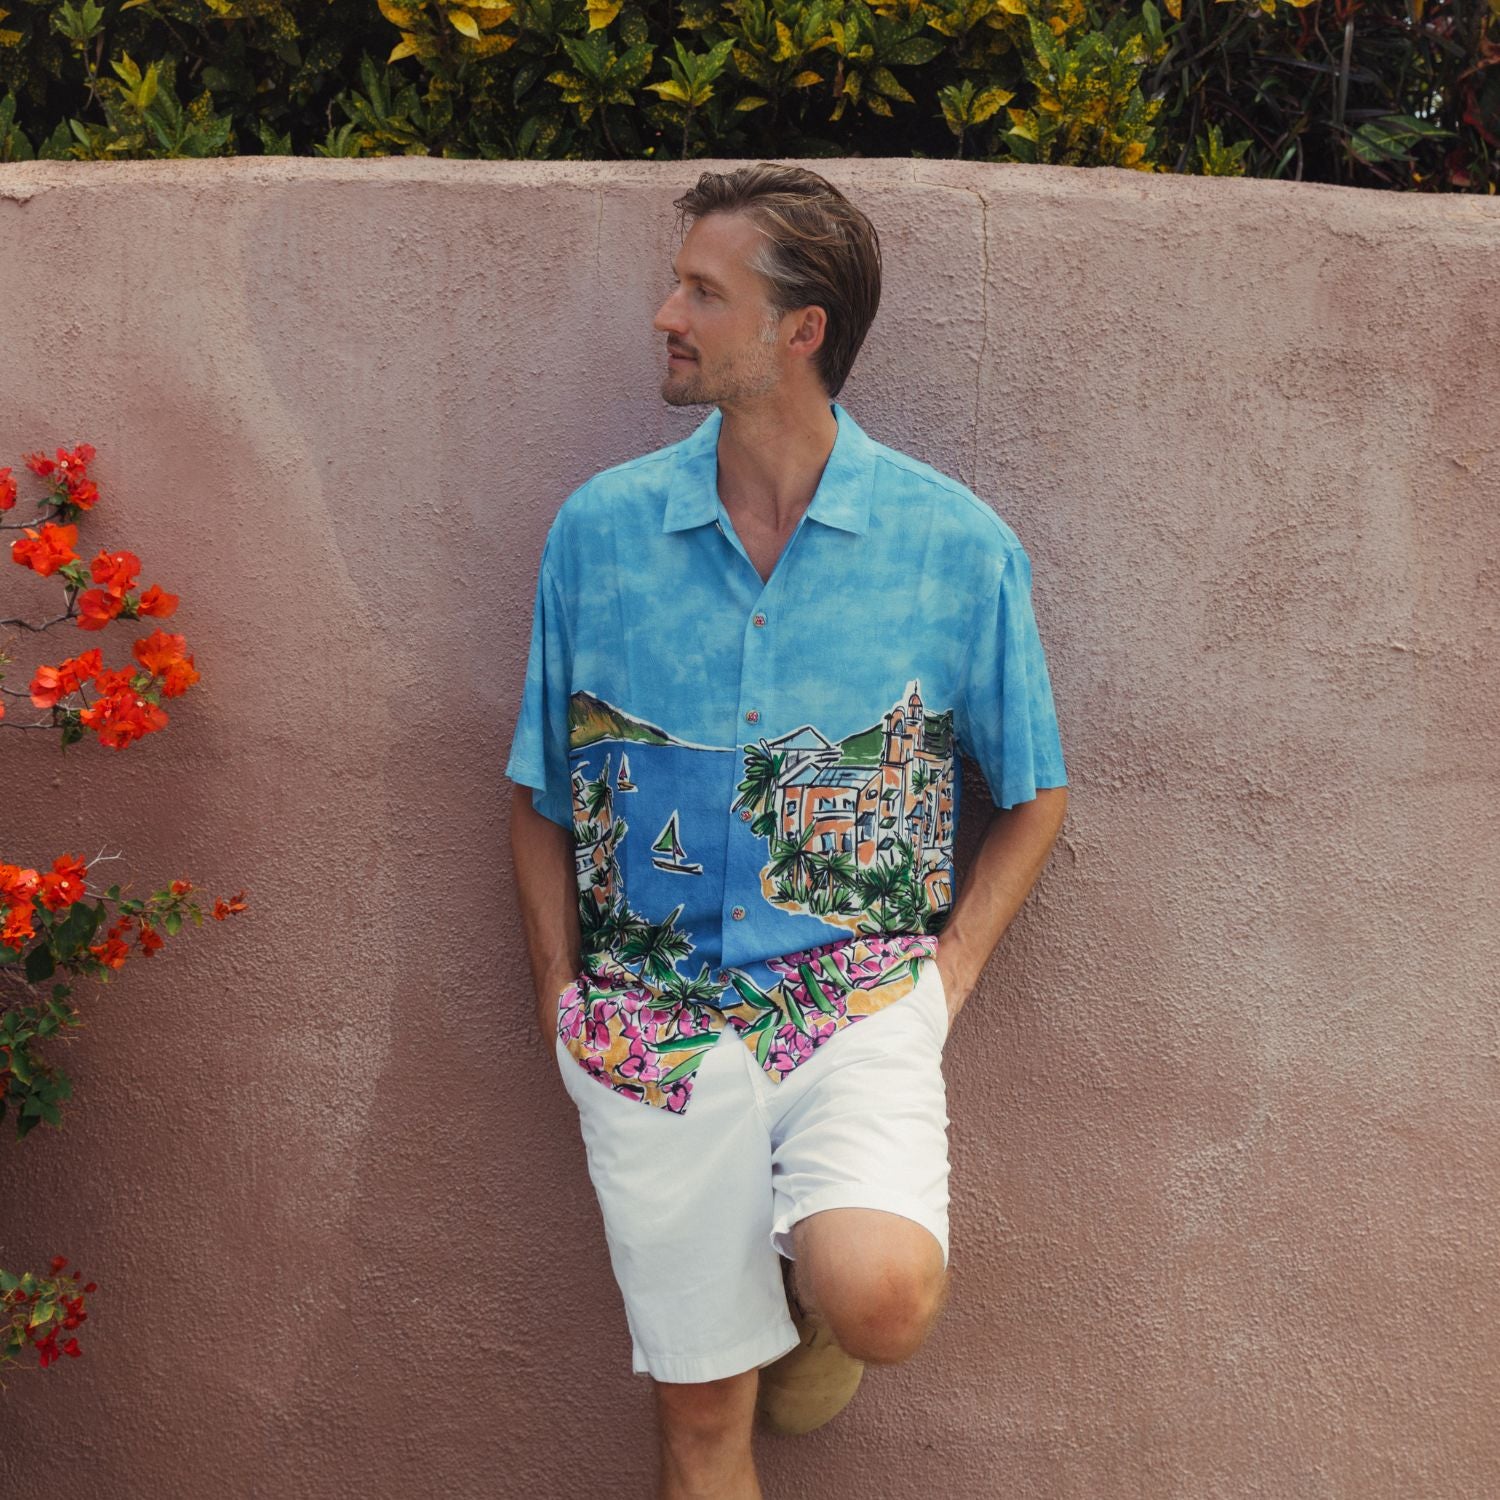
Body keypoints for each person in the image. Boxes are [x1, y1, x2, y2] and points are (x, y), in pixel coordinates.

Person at [506, 161, 1069, 1500]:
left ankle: (805, 1288)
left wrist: (947, 982)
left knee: (884, 1301)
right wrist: (558, 996)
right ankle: (751, 1279)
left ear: (800, 329)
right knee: (703, 1425)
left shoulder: (954, 545)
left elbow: (1035, 789)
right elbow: (538, 787)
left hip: (855, 994)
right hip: (650, 1014)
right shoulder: (600, 534)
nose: (667, 313)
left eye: (703, 290)